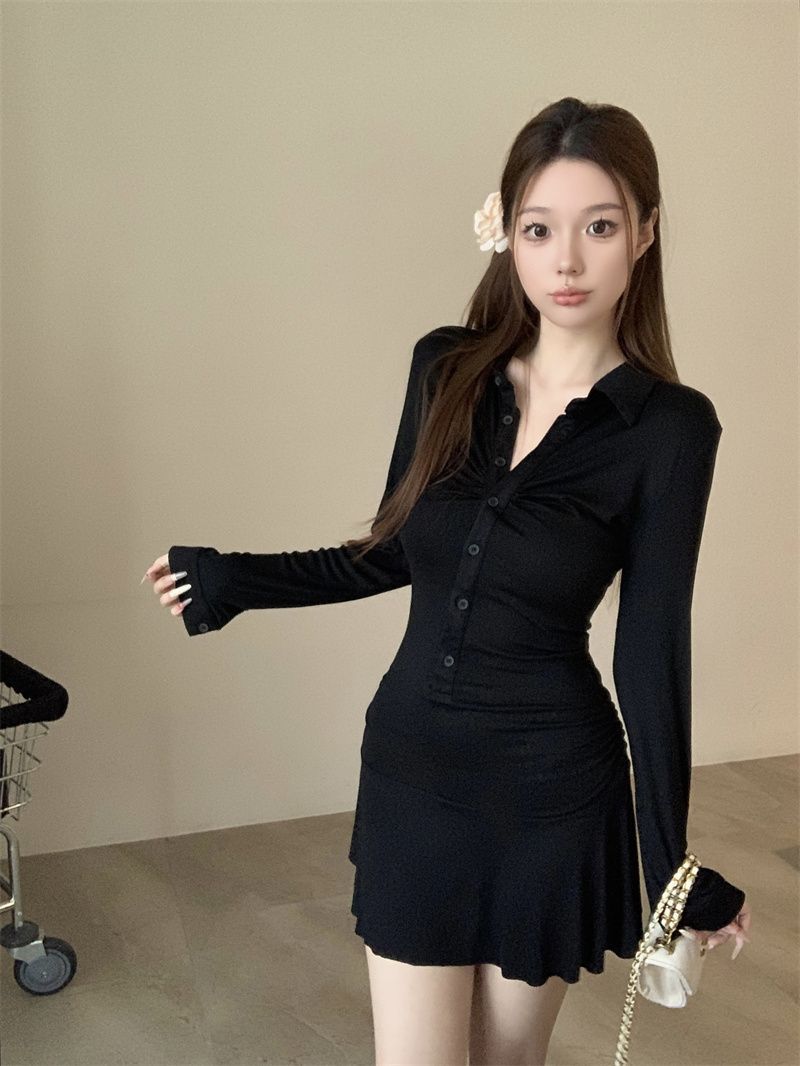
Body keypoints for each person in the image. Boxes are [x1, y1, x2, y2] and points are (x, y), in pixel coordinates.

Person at [142, 96, 751, 1066]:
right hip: (414, 777)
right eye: (538, 229)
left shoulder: (671, 430)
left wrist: (671, 870)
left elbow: (648, 655)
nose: (566, 260)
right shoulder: (446, 369)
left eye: (597, 227)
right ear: (505, 233)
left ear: (643, 232)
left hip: (553, 798)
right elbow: (394, 549)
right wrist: (233, 579)